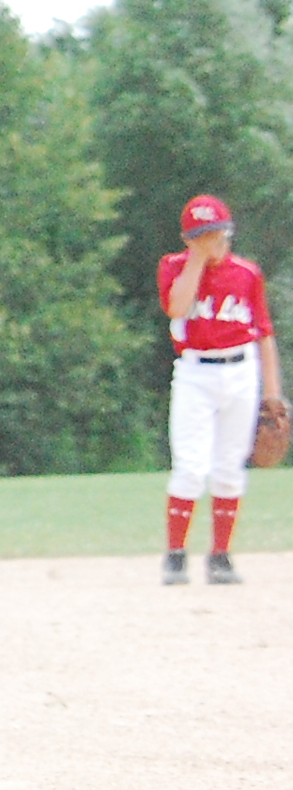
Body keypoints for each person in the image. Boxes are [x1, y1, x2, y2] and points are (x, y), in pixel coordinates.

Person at [159, 193, 279, 586]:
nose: (210, 240)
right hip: (195, 373)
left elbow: (264, 334)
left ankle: (220, 557)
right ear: (186, 239)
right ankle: (175, 556)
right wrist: (196, 259)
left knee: (229, 467)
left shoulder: (247, 273)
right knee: (190, 466)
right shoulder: (174, 267)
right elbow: (177, 308)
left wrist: (272, 393)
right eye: (199, 234)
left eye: (214, 232)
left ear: (228, 231)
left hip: (241, 371)